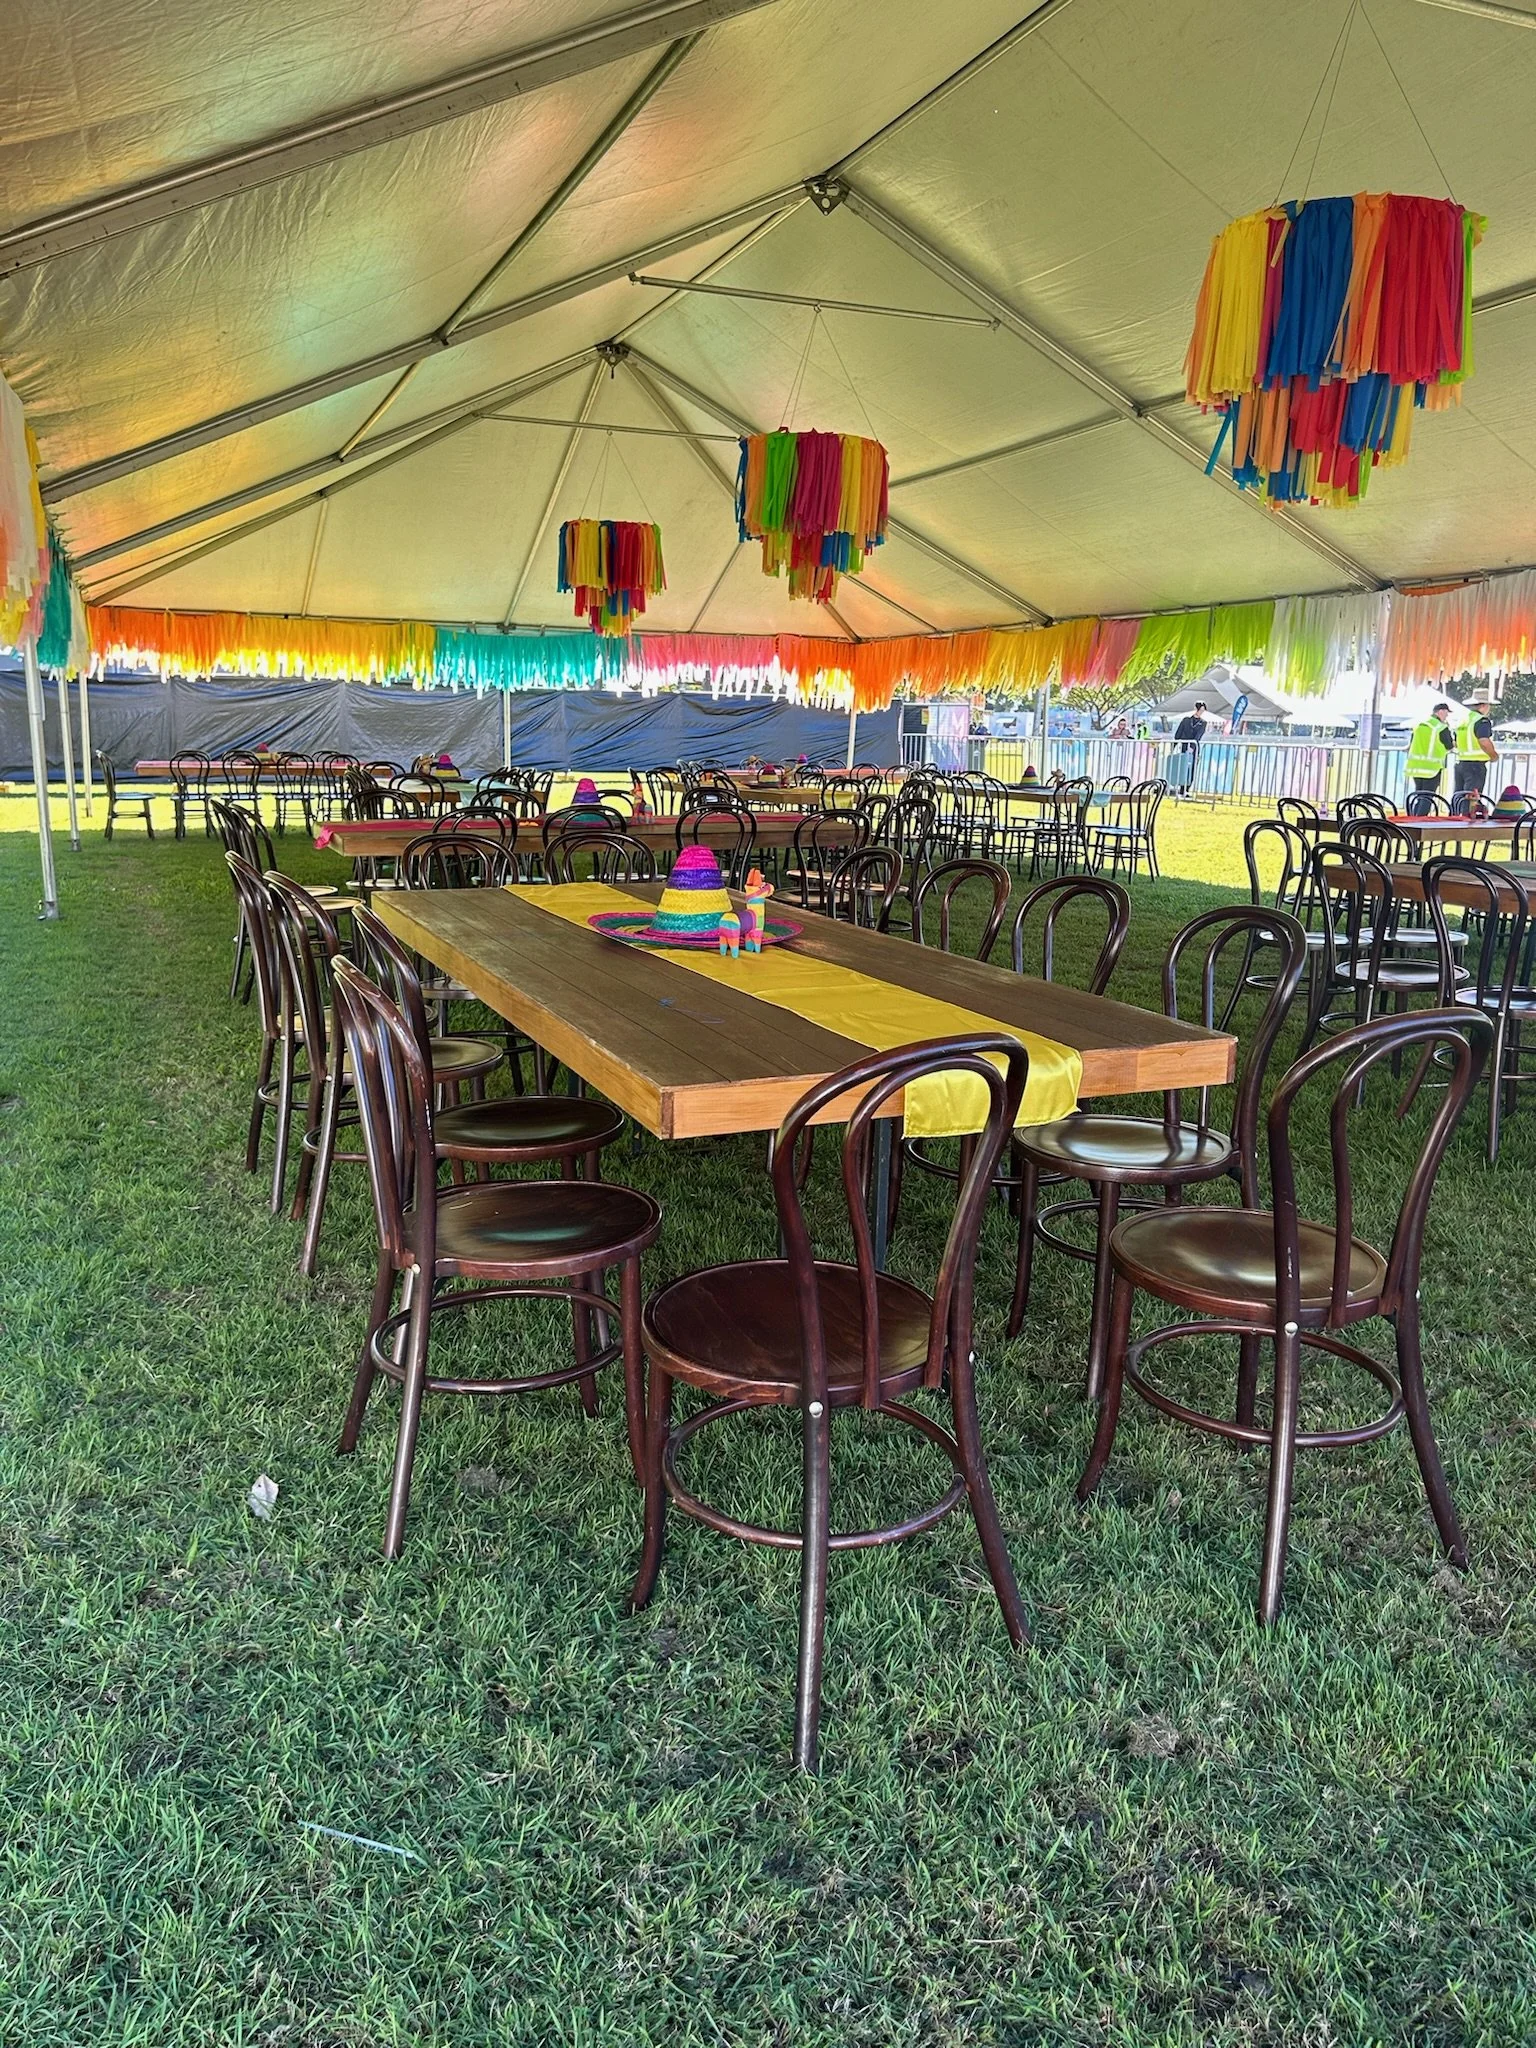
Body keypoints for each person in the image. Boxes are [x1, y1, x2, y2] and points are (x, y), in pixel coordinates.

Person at [1405, 701, 1456, 814]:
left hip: (1415, 767)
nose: (1447, 716)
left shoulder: (1419, 724)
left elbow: (1412, 743)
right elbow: (1449, 746)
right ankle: (1420, 821)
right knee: (1427, 797)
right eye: (1446, 713)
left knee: (1419, 795)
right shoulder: (1441, 727)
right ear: (1440, 712)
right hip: (1431, 768)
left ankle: (1413, 819)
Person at [1453, 689, 1498, 808]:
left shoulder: (1463, 720)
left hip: (1461, 762)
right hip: (1475, 765)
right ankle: (1466, 823)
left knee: (1459, 797)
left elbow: (1456, 742)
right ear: (1484, 705)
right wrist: (1493, 755)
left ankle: (1455, 821)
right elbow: (1484, 741)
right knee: (1471, 798)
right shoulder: (1481, 720)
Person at [1171, 702, 1207, 796]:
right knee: (1182, 767)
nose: (1201, 712)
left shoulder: (1203, 723)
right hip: (1184, 746)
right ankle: (1181, 788)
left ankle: (1186, 788)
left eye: (1202, 710)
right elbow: (1178, 734)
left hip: (1194, 748)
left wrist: (1192, 747)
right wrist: (1174, 745)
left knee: (1192, 768)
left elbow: (1198, 736)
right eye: (1200, 710)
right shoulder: (1186, 720)